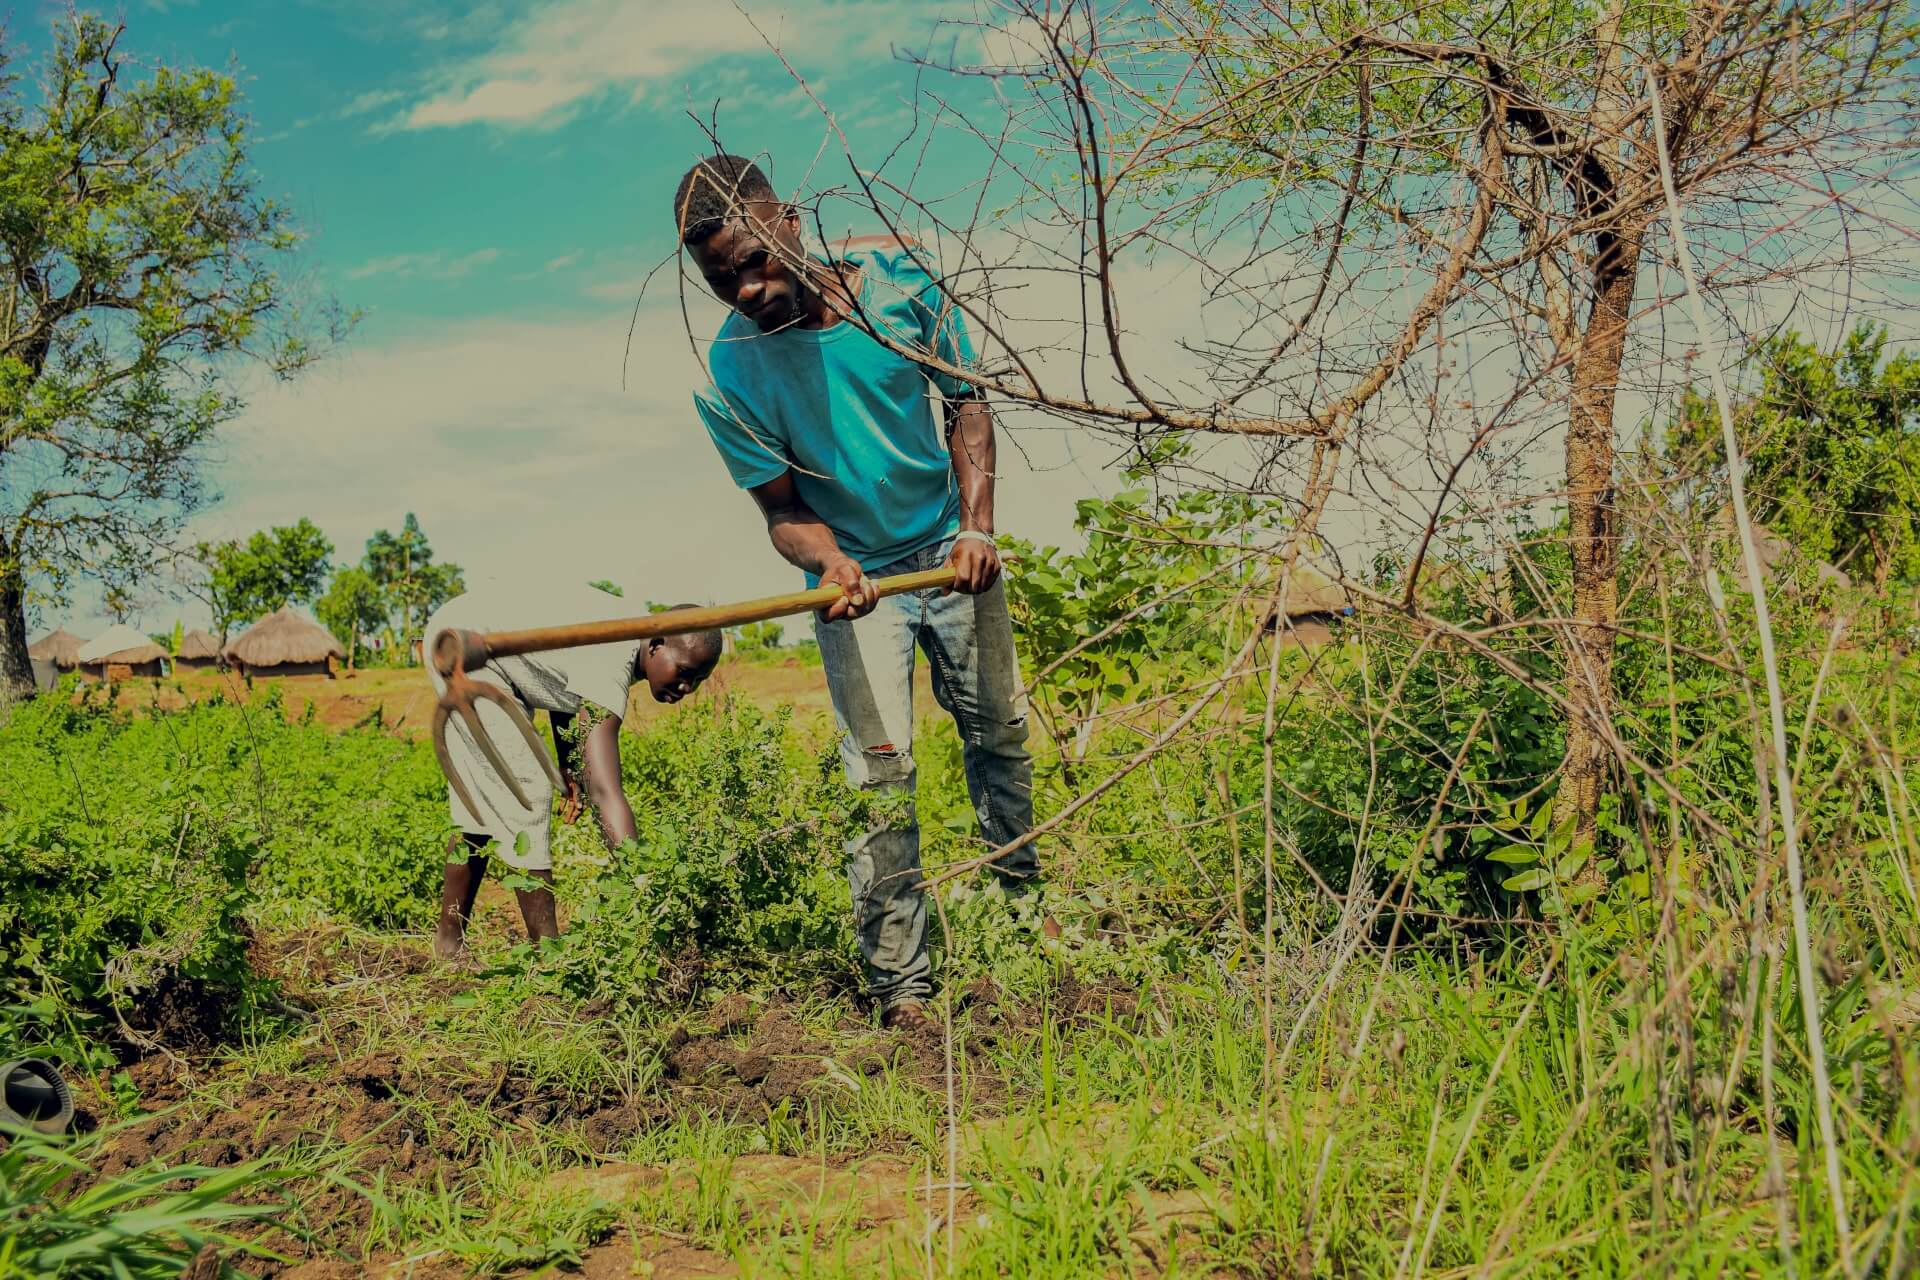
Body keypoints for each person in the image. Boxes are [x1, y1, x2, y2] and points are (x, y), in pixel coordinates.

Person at [674, 153, 1044, 1032]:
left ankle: (1025, 922)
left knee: (999, 736)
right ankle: (901, 988)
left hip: (954, 555)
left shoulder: (898, 284)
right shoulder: (730, 371)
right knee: (880, 777)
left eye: (757, 259)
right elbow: (782, 512)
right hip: (858, 588)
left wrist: (978, 527)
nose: (750, 290)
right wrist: (830, 561)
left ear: (790, 219)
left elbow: (966, 402)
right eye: (723, 280)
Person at [425, 584, 722, 960]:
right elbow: (604, 791)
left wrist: (570, 764)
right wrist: (641, 877)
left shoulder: (629, 633)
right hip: (467, 647)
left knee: (479, 811)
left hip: (474, 635)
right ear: (656, 643)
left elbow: (562, 681)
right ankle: (550, 958)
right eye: (684, 672)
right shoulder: (614, 652)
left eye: (697, 681)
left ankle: (449, 945)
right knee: (527, 791)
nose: (686, 687)